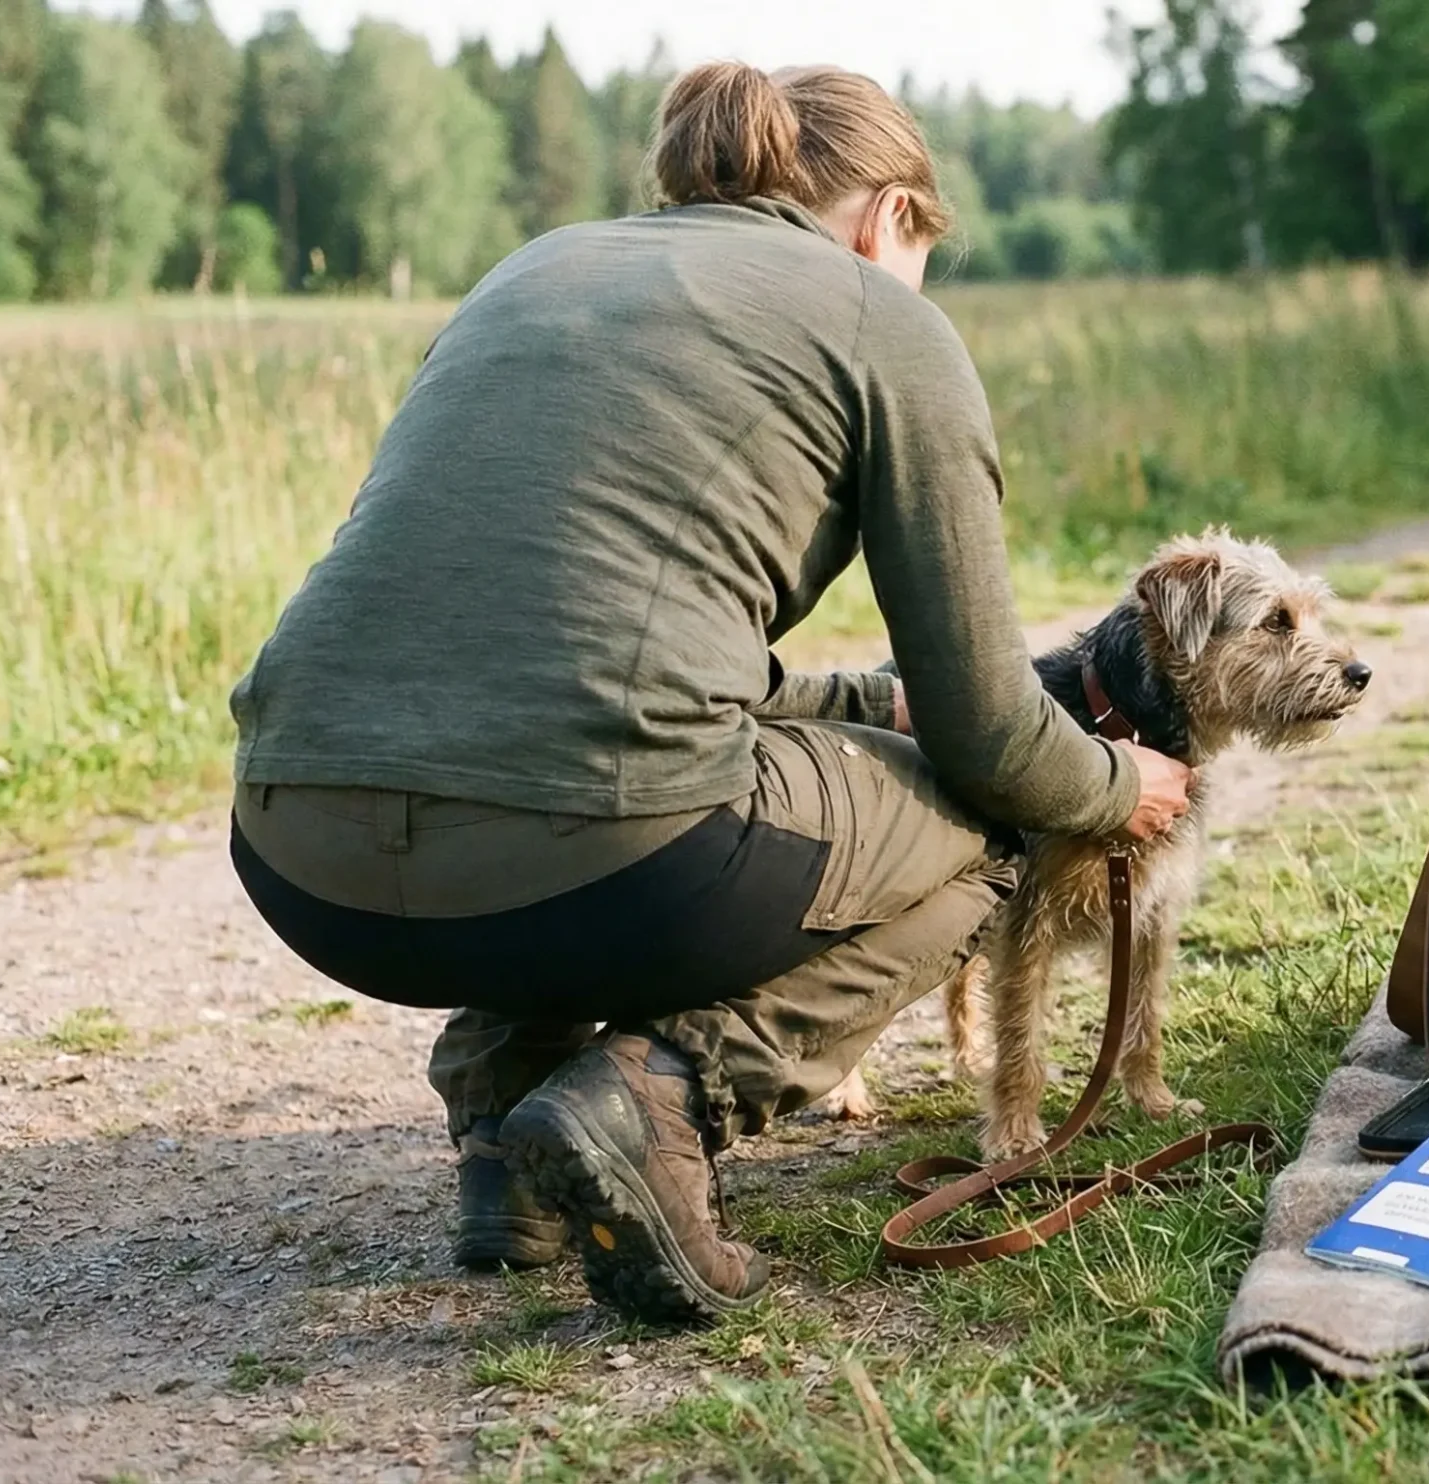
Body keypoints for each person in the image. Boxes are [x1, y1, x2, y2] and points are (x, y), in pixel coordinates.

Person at [225, 61, 1193, 1325]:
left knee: (577, 771)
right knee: (994, 833)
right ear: (891, 215)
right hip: (589, 857)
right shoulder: (878, 317)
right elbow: (993, 737)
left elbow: (531, 632)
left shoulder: (532, 269)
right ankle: (659, 1101)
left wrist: (852, 699)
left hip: (298, 851)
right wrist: (1120, 782)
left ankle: (501, 1137)